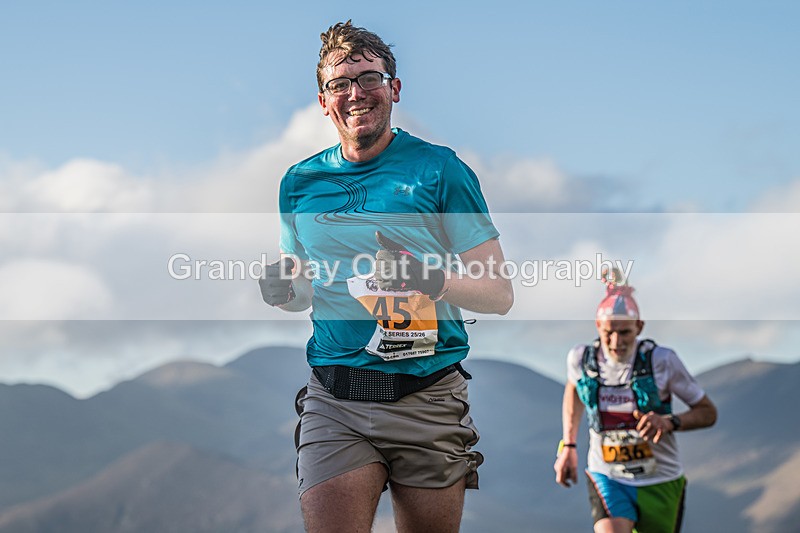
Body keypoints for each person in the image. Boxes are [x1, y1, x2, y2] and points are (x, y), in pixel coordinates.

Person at [259, 20, 513, 533]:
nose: (356, 93)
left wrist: (433, 280)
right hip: (336, 398)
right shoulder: (299, 182)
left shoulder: (440, 170)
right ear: (322, 100)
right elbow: (303, 286)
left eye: (370, 78)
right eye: (340, 84)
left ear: (394, 89)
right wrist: (283, 292)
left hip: (428, 397)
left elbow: (499, 293)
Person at [554, 269, 717, 533]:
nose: (615, 342)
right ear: (598, 326)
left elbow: (708, 412)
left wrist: (669, 422)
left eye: (625, 332)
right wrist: (568, 445)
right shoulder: (581, 360)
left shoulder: (662, 360)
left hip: (661, 480)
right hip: (608, 475)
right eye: (608, 332)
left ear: (639, 327)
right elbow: (573, 390)